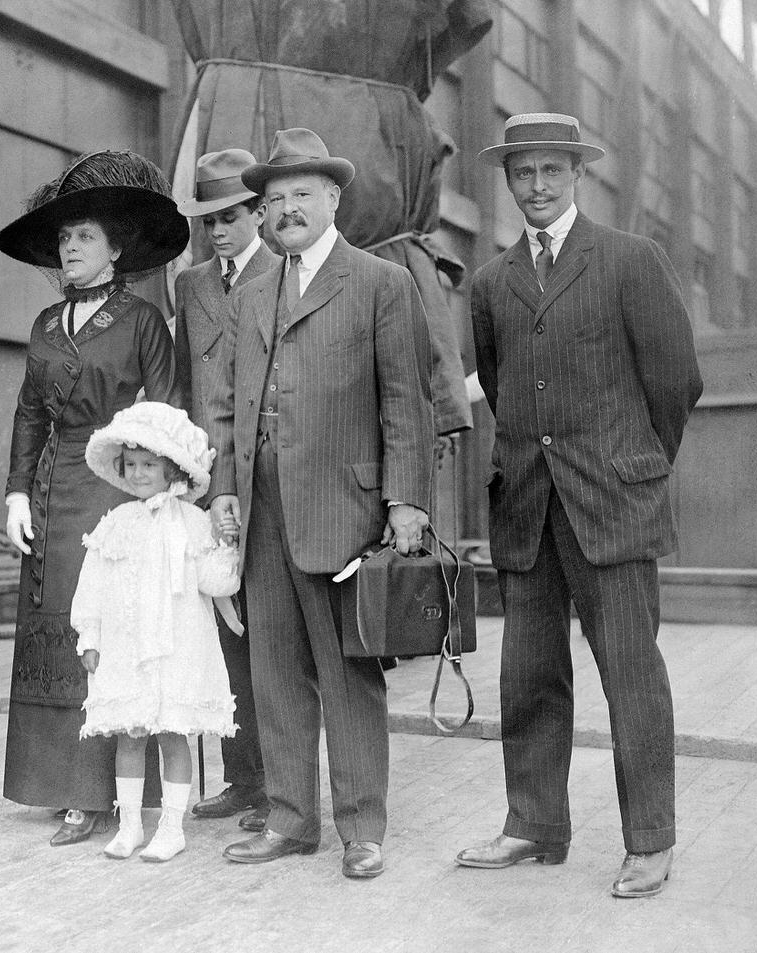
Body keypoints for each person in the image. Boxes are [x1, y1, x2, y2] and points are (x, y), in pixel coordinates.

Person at [455, 113, 703, 899]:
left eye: (550, 172)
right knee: (527, 675)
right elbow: (497, 385)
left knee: (631, 673)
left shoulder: (631, 260)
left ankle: (650, 840)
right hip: (526, 502)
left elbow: (675, 381)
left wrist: (637, 464)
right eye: (521, 173)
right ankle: (535, 823)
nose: (535, 187)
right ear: (508, 180)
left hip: (613, 503)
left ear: (576, 176)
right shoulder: (493, 281)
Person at [204, 128, 434, 879]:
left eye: (302, 193)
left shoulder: (379, 281)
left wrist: (406, 502)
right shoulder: (251, 291)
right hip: (262, 510)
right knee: (273, 671)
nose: (286, 209)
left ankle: (362, 827)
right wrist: (225, 495)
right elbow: (229, 406)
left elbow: (407, 400)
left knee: (348, 674)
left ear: (334, 197)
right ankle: (291, 817)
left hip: (347, 511)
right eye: (273, 199)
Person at [0, 150, 189, 846]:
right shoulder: (47, 323)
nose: (68, 248)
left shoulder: (143, 322)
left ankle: (112, 794)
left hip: (116, 489)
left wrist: (153, 495)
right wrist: (16, 491)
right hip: (51, 490)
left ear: (115, 250)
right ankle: (63, 786)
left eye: (82, 237)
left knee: (108, 633)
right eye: (64, 238)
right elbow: (27, 413)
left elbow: (166, 410)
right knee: (56, 628)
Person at [69, 401, 241, 862]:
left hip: (178, 643)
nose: (141, 474)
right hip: (128, 643)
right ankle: (129, 826)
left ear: (172, 470)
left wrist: (226, 547)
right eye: (132, 466)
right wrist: (90, 635)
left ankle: (171, 827)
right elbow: (93, 584)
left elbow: (217, 582)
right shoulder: (116, 524)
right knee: (130, 733)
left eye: (150, 465)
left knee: (172, 733)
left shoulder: (191, 522)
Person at [171, 148, 279, 833]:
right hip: (212, 485)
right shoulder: (192, 285)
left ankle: (280, 784)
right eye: (206, 220)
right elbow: (186, 380)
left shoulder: (284, 271)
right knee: (228, 635)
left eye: (230, 217)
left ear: (260, 214)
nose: (216, 231)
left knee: (273, 637)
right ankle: (242, 779)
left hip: (270, 480)